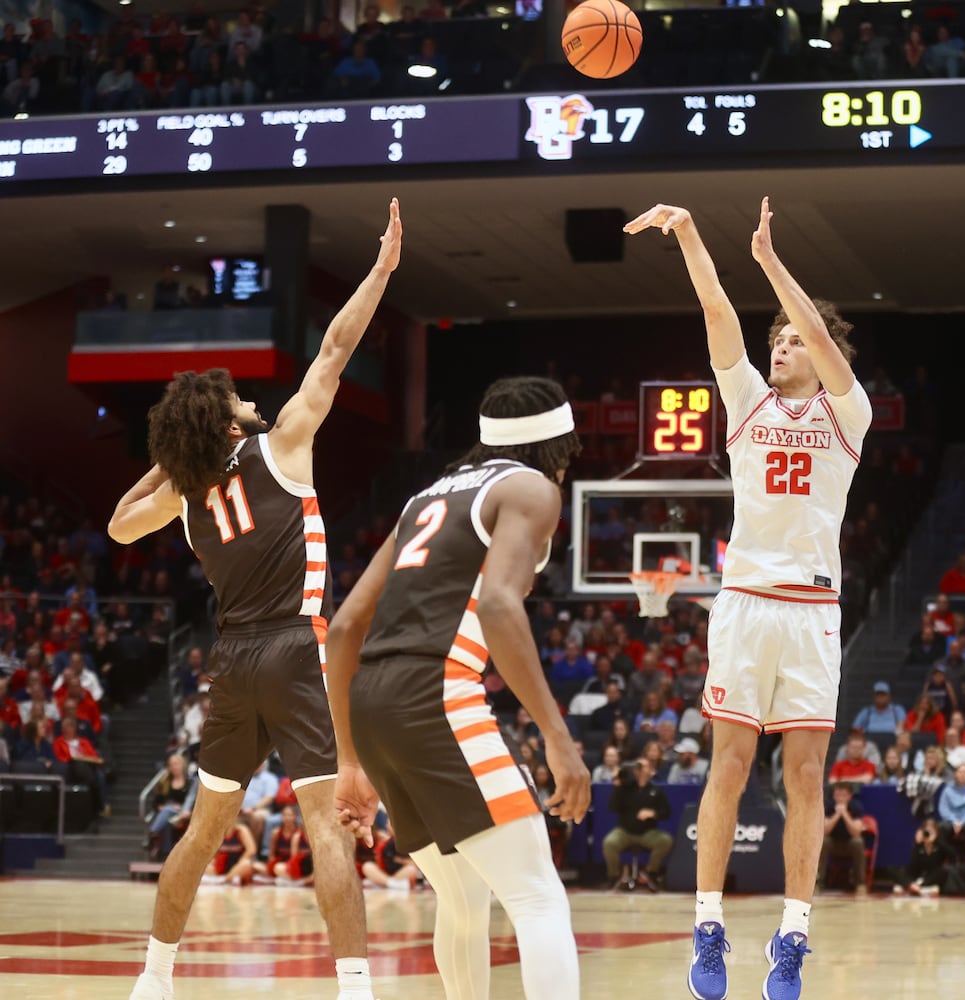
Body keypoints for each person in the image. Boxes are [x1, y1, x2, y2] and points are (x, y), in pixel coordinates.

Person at [107, 199, 403, 1000]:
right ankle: (353, 990)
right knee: (323, 824)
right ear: (227, 417)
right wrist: (379, 273)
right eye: (237, 396)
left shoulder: (185, 492)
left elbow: (117, 525)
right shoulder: (284, 445)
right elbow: (337, 347)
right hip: (296, 648)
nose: (249, 399)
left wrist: (173, 464)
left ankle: (153, 979)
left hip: (231, 658)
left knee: (204, 832)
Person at [623, 198, 872, 1000]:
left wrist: (770, 261)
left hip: (811, 614)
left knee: (805, 776)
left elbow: (824, 340)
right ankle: (708, 927)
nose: (786, 349)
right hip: (746, 603)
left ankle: (792, 939)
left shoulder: (847, 412)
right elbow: (715, 309)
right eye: (780, 341)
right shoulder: (746, 403)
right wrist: (692, 233)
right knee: (728, 765)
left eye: (796, 341)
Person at [324, 375, 590, 1000]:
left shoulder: (424, 498)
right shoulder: (530, 489)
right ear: (554, 444)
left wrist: (350, 759)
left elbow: (342, 630)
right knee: (537, 896)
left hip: (372, 704)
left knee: (465, 896)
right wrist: (557, 737)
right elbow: (499, 606)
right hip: (435, 694)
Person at [603, 758, 674, 892]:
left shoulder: (656, 790)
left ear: (651, 771)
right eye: (637, 767)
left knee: (665, 840)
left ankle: (651, 872)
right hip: (625, 831)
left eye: (643, 767)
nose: (640, 769)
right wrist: (618, 785)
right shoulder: (625, 788)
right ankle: (614, 876)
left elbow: (666, 812)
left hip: (647, 832)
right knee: (609, 842)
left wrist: (653, 813)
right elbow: (612, 807)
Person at [817, 781, 867, 895]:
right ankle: (819, 883)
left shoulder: (856, 807)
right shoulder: (828, 807)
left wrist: (844, 814)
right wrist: (837, 815)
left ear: (849, 796)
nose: (839, 798)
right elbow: (824, 831)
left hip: (849, 843)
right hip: (833, 842)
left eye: (843, 795)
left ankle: (860, 884)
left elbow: (856, 832)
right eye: (837, 795)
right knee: (823, 841)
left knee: (858, 842)